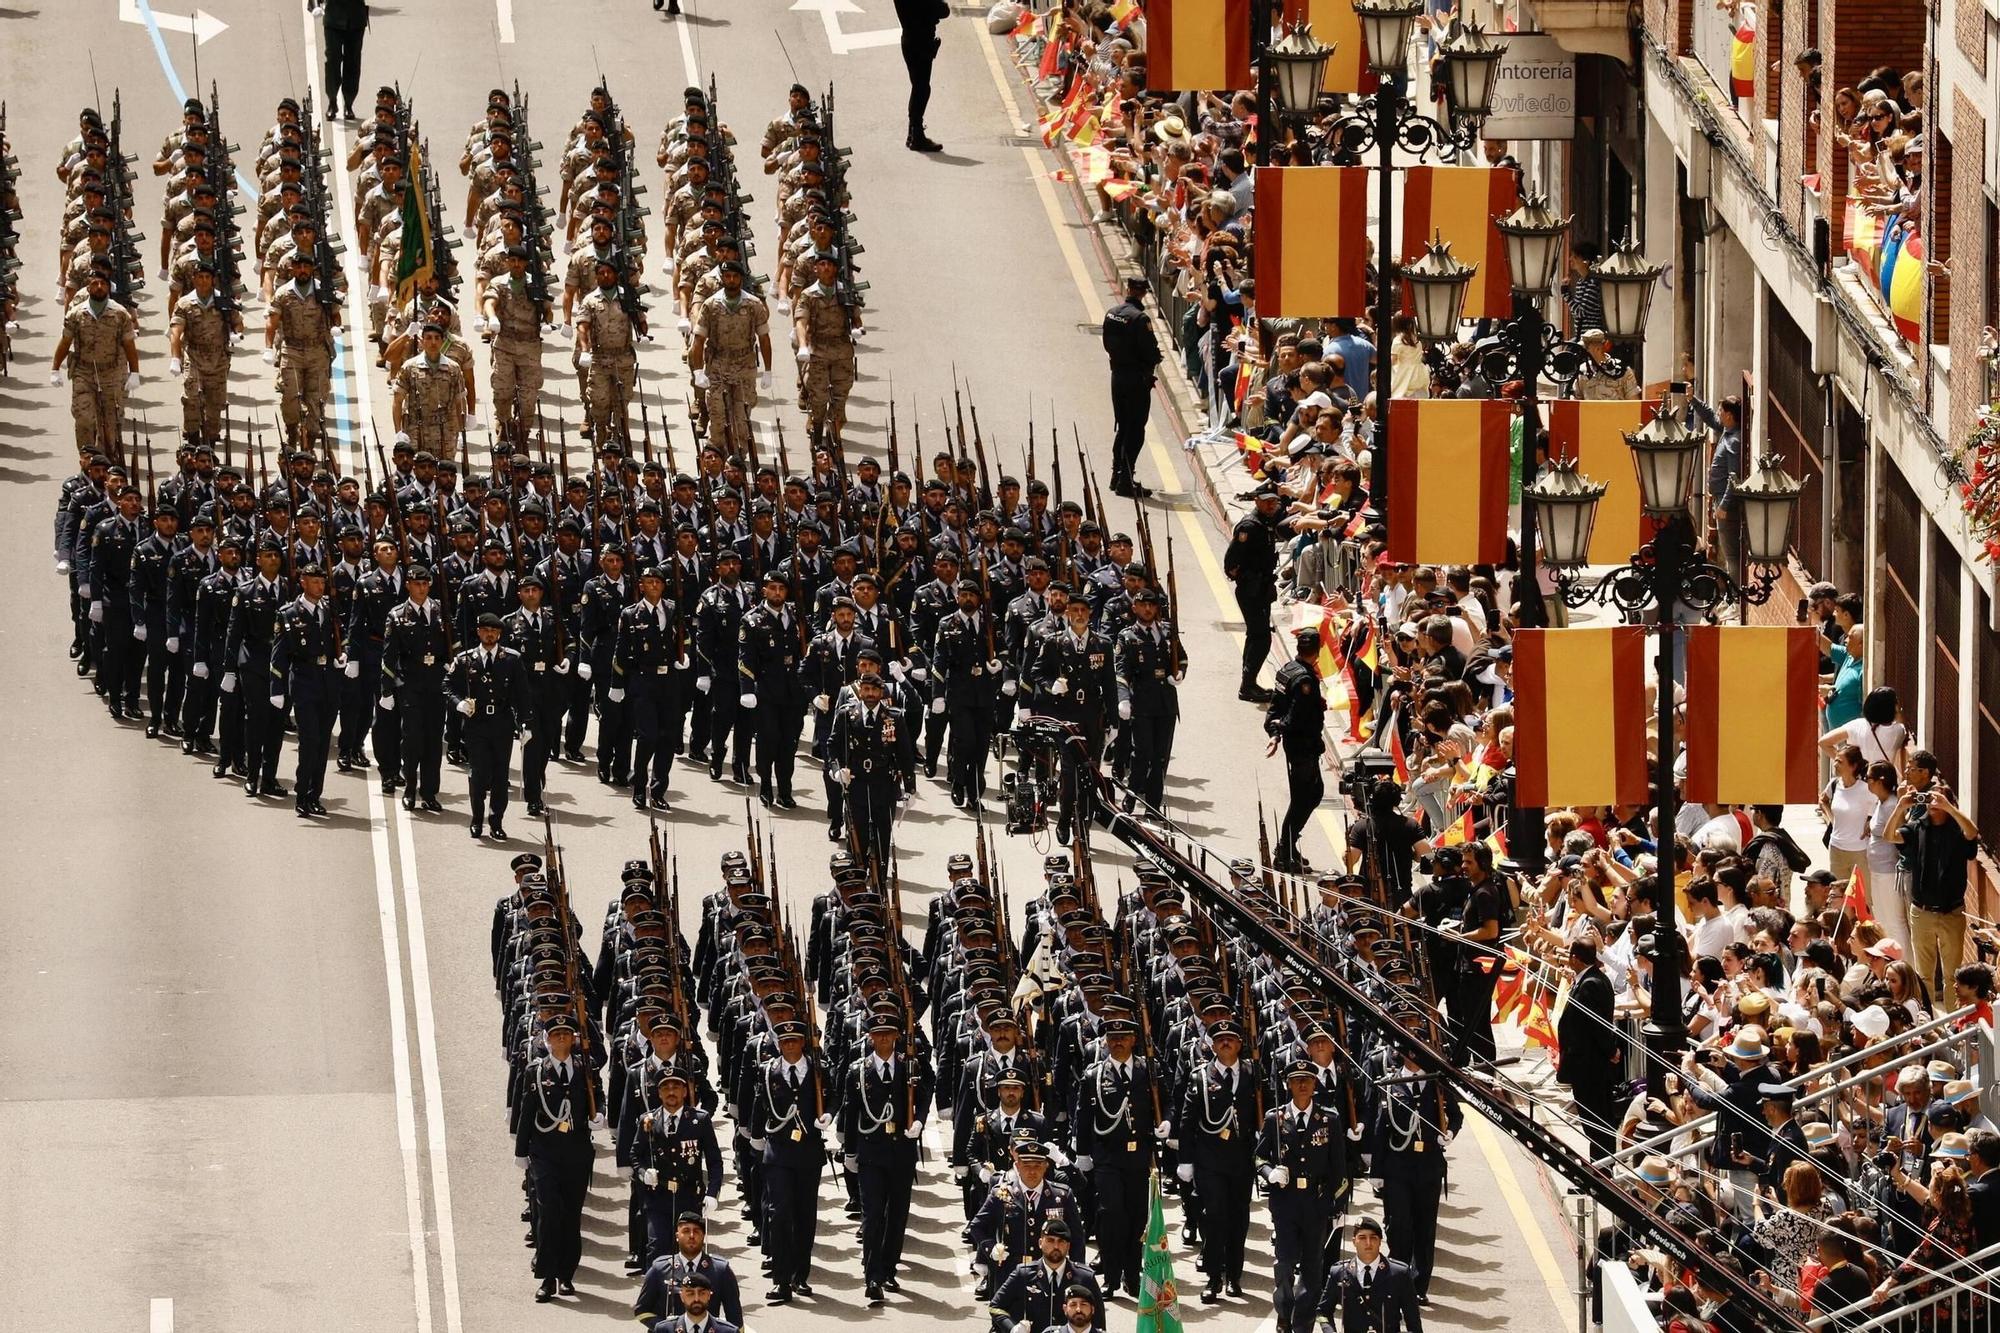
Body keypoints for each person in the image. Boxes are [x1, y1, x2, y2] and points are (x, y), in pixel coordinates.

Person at [836, 1012, 934, 1303]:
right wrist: (850, 1152)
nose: (883, 1039)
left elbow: (925, 1092)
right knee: (872, 1215)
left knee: (897, 1215)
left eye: (889, 1034)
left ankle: (889, 1268)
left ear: (896, 1037)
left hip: (902, 1152)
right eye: (878, 1035)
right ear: (870, 1037)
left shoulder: (909, 1066)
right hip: (871, 1152)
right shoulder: (858, 1070)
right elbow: (851, 1112)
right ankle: (873, 1276)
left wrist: (919, 1119)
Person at [514, 1014, 604, 1303]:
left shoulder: (585, 1068)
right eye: (556, 1034)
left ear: (574, 1039)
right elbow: (527, 1111)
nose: (562, 1038)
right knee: (549, 1213)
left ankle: (567, 1274)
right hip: (545, 1154)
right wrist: (521, 1152)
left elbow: (597, 1096)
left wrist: (598, 1114)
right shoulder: (536, 1072)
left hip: (576, 1153)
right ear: (547, 1040)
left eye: (567, 1034)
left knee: (570, 1215)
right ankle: (547, 1277)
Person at [1258, 1061, 1347, 1333]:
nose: (1303, 1085)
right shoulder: (1275, 1119)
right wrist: (1270, 1172)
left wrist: (1337, 1204)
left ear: (1315, 1084)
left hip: (1315, 1204)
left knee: (1312, 1268)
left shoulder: (1329, 1120)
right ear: (1288, 1085)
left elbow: (1339, 1169)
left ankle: (1303, 1323)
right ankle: (1284, 1312)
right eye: (1297, 1080)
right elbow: (1259, 1156)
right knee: (1284, 1264)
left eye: (1308, 1080)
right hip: (1285, 1204)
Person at [1887, 774, 1979, 995]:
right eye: (1929, 799)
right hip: (1922, 912)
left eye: (1938, 799)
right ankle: (1927, 1023)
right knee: (1924, 975)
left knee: (1952, 975)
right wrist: (1900, 807)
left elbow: (1972, 833)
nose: (1933, 803)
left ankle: (1953, 1023)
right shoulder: (1917, 827)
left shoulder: (1958, 830)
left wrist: (1950, 809)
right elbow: (1889, 836)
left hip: (1952, 912)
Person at [448, 611, 528, 840]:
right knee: (478, 774)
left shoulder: (512, 659)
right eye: (485, 630)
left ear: (500, 634)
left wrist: (526, 723)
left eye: (494, 631)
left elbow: (522, 693)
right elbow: (448, 686)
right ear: (478, 632)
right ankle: (476, 819)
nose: (490, 634)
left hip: (501, 723)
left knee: (500, 775)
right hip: (477, 724)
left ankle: (496, 821)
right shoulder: (465, 659)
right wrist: (459, 703)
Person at [270, 565, 341, 818]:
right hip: (303, 682)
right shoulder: (288, 614)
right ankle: (302, 794)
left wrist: (339, 659)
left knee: (323, 743)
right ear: (303, 582)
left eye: (322, 582)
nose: (320, 587)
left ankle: (315, 795)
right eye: (314, 582)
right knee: (309, 740)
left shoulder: (329, 610)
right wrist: (276, 688)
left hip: (328, 683)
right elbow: (279, 655)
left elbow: (335, 643)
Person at [1265, 628, 1328, 873]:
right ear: (1318, 650)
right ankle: (1285, 849)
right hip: (1303, 746)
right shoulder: (1304, 680)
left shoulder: (1287, 670)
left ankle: (1288, 846)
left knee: (1311, 794)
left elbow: (1275, 707)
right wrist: (1279, 730)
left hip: (1298, 745)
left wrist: (1275, 732)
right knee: (1306, 797)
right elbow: (1295, 713)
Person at [1101, 276, 1161, 498]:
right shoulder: (1140, 318)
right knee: (1135, 430)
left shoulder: (1112, 313)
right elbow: (1151, 352)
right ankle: (1126, 479)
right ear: (1144, 292)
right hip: (1136, 379)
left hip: (1117, 375)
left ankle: (1116, 474)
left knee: (1122, 426)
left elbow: (1107, 343)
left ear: (1128, 289)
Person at [1223, 484, 1283, 700]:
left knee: (1256, 635)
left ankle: (1249, 683)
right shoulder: (1250, 526)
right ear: (1257, 500)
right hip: (1251, 589)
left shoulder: (1266, 522)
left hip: (1263, 589)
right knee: (1261, 638)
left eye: (1274, 501)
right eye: (1267, 501)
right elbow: (1231, 560)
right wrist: (1244, 578)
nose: (1271, 505)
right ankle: (1247, 686)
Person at [634, 1212, 744, 1327]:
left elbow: (735, 1318)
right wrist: (666, 1328)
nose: (691, 1235)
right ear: (677, 1236)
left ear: (703, 1236)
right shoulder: (660, 1269)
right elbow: (642, 1310)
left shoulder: (720, 1271)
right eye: (686, 1231)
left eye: (696, 1231)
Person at [1317, 1217, 1423, 1333]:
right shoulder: (1339, 1272)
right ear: (1354, 1241)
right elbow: (1322, 1312)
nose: (1368, 1243)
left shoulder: (1399, 1273)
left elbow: (1414, 1322)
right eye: (1362, 1238)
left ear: (1379, 1241)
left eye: (1373, 1238)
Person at [892, 0, 948, 151]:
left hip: (911, 40)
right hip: (920, 42)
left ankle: (913, 133)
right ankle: (916, 134)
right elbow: (943, 10)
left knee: (919, 87)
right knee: (922, 88)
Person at [309, 0, 371, 121]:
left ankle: (349, 103)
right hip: (333, 18)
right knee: (332, 61)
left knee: (353, 62)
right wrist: (315, 5)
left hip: (355, 19)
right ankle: (332, 101)